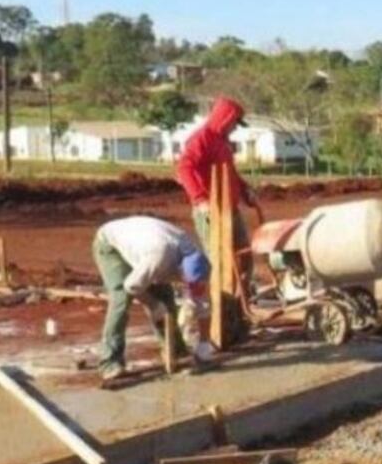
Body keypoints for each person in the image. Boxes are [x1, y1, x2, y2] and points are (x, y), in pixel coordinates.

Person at [176, 96, 259, 344]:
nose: (234, 128)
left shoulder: (223, 143)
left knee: (243, 260)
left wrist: (245, 190)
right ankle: (208, 319)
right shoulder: (201, 138)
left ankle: (236, 314)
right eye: (233, 123)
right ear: (224, 119)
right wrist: (200, 199)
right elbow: (184, 168)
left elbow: (230, 174)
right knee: (219, 264)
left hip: (230, 209)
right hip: (210, 211)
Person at [92, 216, 211, 382]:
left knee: (166, 297)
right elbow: (131, 286)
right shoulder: (158, 258)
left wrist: (205, 342)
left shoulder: (196, 257)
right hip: (111, 245)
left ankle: (176, 352)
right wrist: (153, 304)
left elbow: (203, 302)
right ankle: (110, 362)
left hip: (147, 247)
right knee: (121, 299)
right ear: (180, 271)